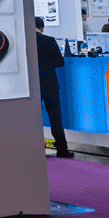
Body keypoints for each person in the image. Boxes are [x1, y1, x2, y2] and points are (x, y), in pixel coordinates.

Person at [36, 17, 73, 159]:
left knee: (34, 118)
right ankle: (62, 150)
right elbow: (60, 62)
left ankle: (37, 150)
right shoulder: (49, 40)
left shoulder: (26, 42)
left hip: (34, 86)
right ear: (42, 27)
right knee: (55, 117)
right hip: (50, 83)